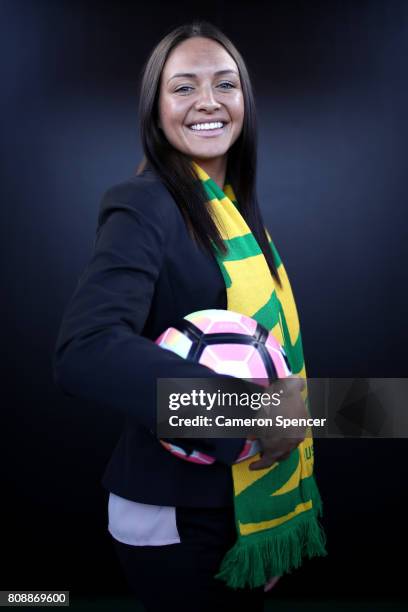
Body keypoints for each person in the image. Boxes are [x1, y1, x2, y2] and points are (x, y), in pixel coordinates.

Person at [53, 20, 326, 612]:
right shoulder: (145, 202)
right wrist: (256, 413)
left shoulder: (237, 213)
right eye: (184, 87)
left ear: (245, 103)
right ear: (155, 110)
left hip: (241, 512)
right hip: (177, 518)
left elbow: (283, 380)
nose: (208, 101)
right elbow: (85, 350)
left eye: (225, 84)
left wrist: (364, 411)